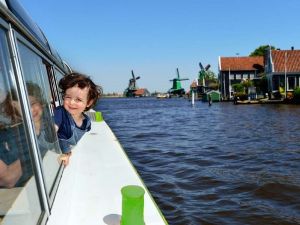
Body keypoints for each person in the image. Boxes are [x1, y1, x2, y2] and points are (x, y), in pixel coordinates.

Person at [54, 72, 102, 166]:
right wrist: (66, 153)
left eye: (78, 100)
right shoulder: (60, 112)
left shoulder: (87, 121)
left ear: (88, 102)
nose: (72, 102)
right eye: (68, 97)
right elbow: (53, 130)